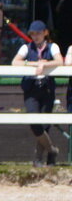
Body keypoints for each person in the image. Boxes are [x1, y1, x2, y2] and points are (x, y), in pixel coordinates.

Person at [11, 19, 63, 166]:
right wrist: (33, 63)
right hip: (31, 87)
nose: (35, 36)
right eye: (33, 34)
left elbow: (59, 61)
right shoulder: (26, 47)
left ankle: (39, 158)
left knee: (45, 125)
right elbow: (15, 62)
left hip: (46, 88)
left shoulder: (53, 47)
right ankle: (52, 150)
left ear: (45, 33)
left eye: (38, 33)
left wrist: (45, 64)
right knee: (34, 121)